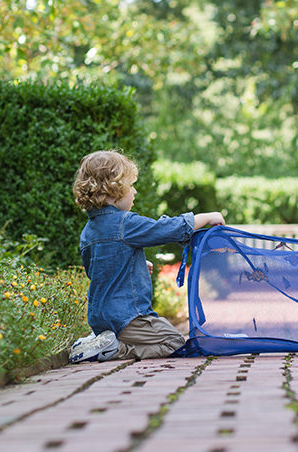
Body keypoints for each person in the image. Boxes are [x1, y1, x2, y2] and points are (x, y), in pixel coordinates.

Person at [69, 150, 225, 362]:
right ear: (112, 191)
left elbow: (96, 270)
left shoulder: (89, 230)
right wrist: (206, 217)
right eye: (130, 186)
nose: (134, 192)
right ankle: (116, 349)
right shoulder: (125, 223)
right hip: (128, 318)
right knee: (175, 342)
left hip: (99, 318)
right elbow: (167, 229)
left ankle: (98, 342)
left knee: (164, 339)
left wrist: (134, 264)